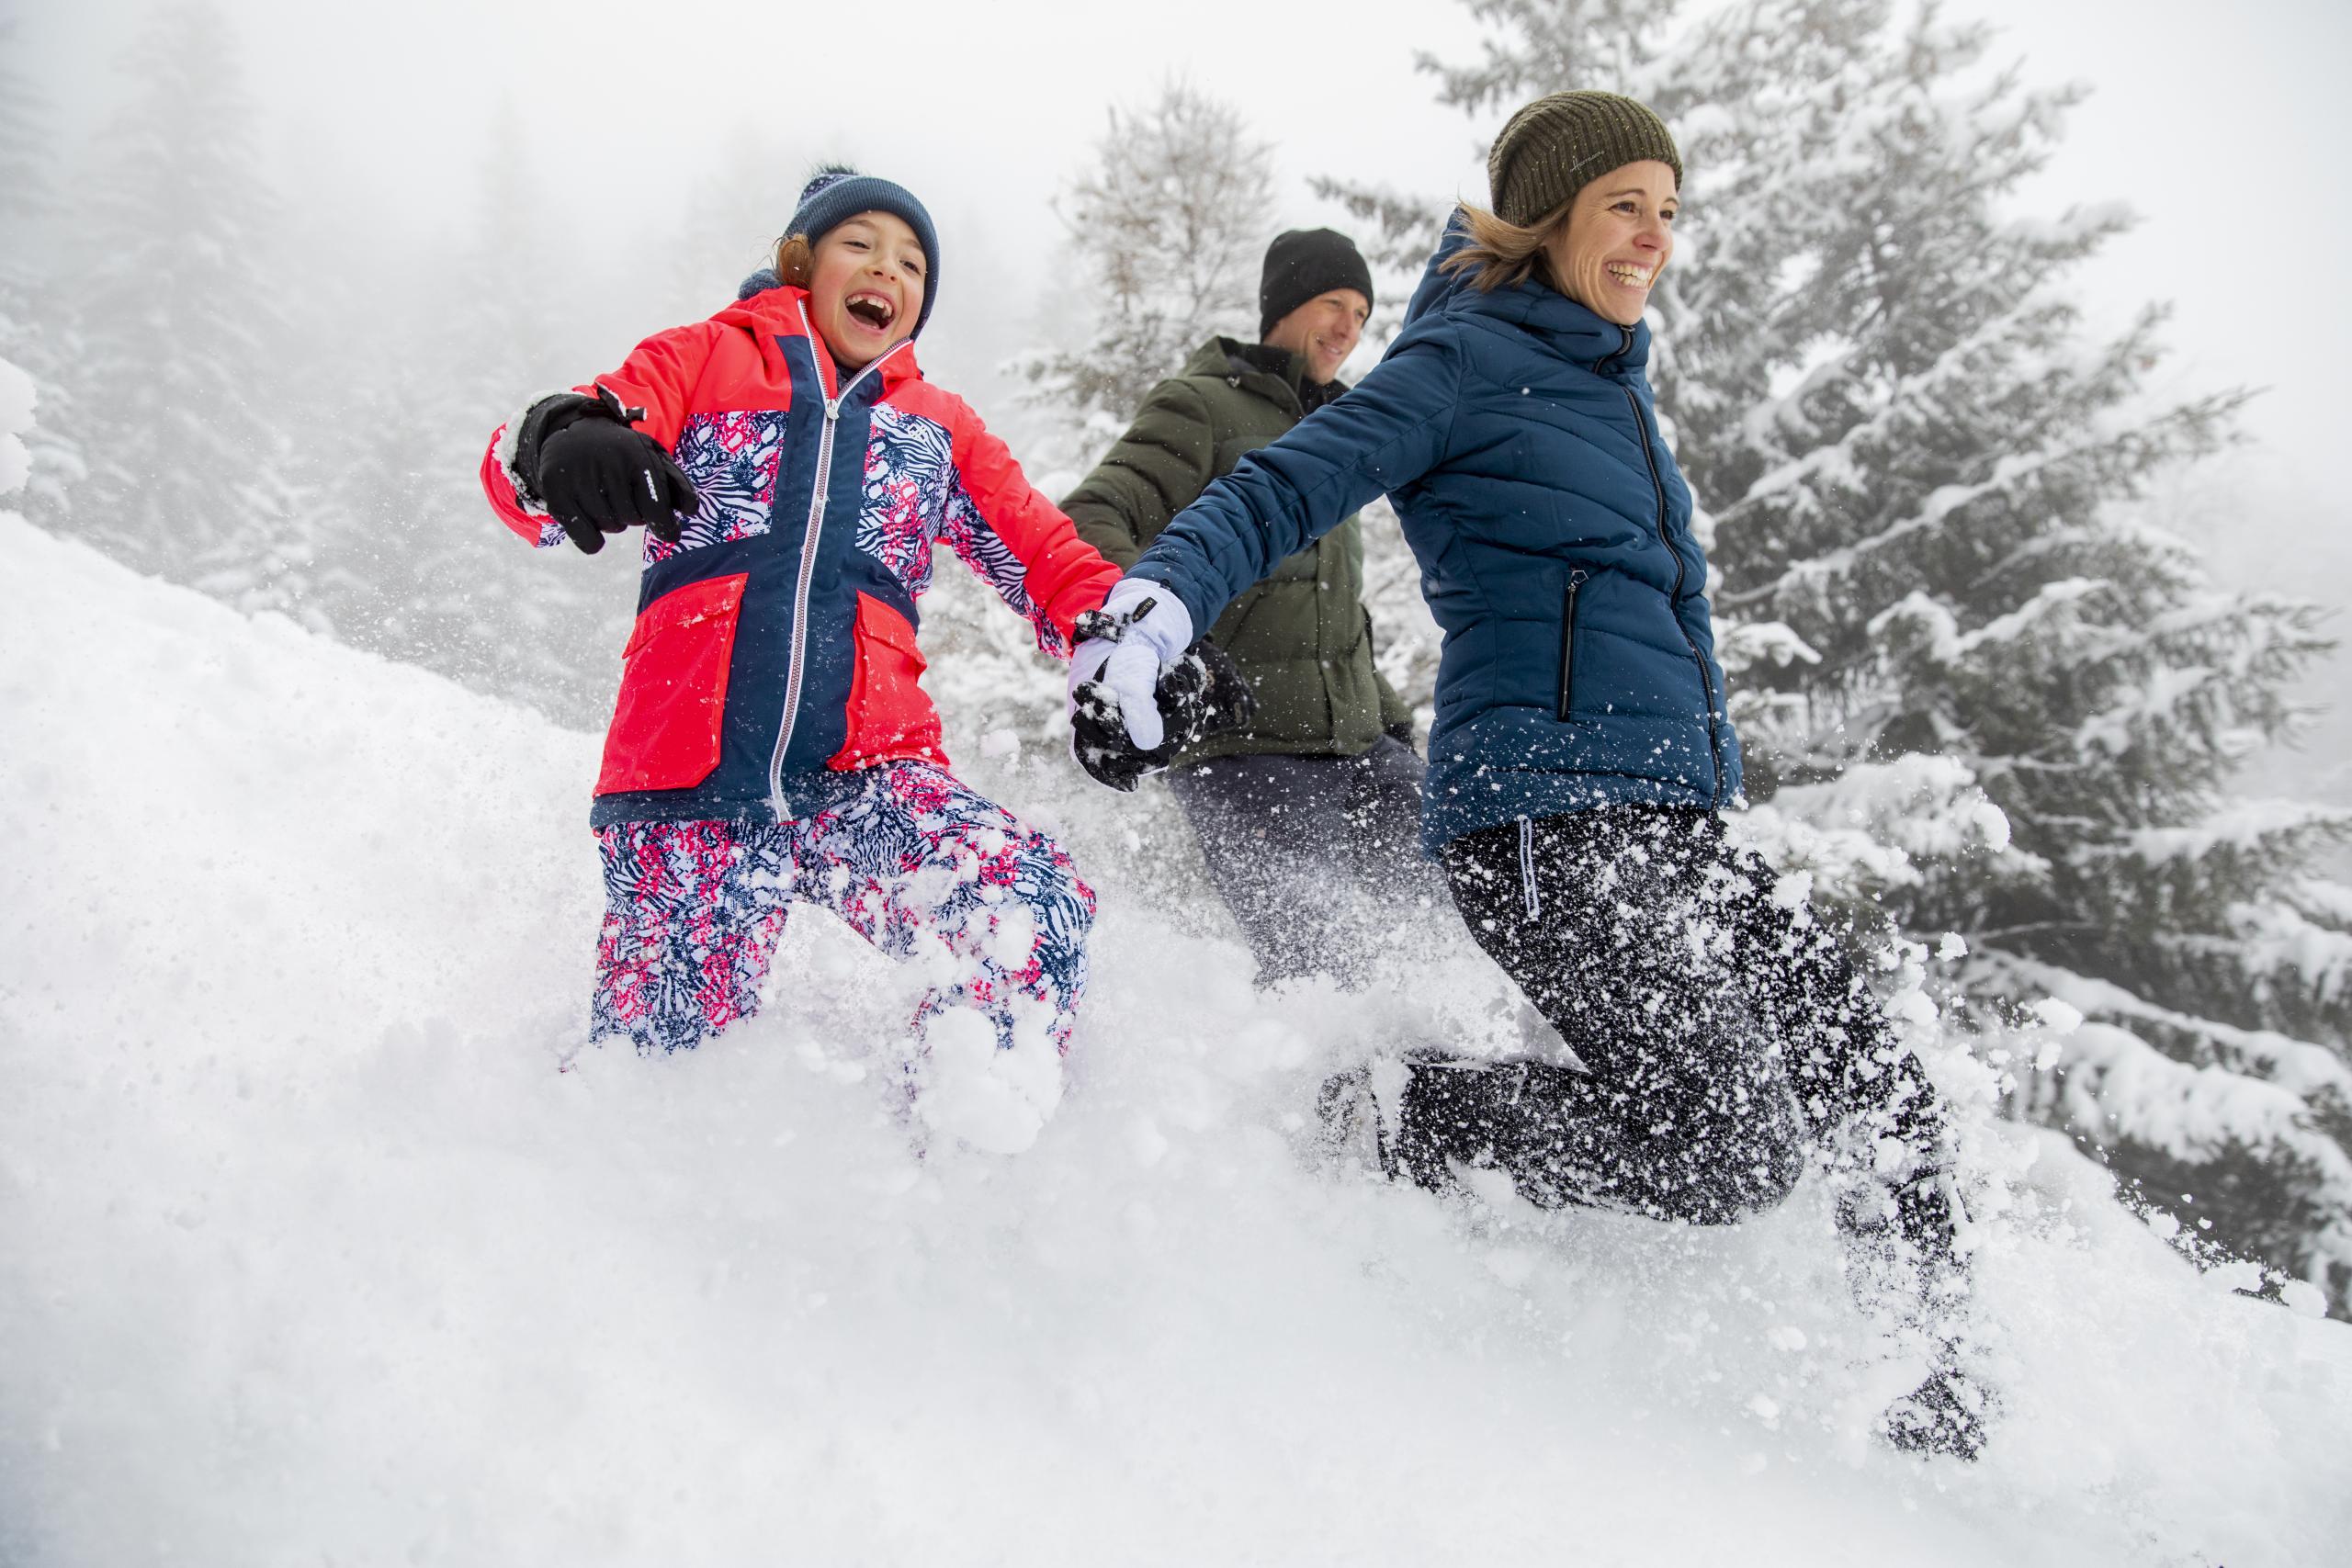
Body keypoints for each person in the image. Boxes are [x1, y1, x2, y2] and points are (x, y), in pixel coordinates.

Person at [1067, 95, 1987, 1455]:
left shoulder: (1614, 382)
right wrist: (1147, 611)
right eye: (1626, 205)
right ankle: (1413, 1109)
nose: (1655, 237)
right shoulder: (1459, 363)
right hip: (1542, 821)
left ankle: (1938, 1386)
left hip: (1667, 819)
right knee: (1729, 1142)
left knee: (1870, 1066)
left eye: (1670, 211)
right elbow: (1278, 489)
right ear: (1546, 215)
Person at [478, 167, 1126, 1153]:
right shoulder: (703, 358)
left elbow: (1047, 555)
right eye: (860, 245)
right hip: (689, 787)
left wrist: (1128, 642)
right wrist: (563, 439)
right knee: (653, 1092)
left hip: (863, 779)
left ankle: (954, 1169)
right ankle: (618, 1250)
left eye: (912, 262)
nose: (888, 272)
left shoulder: (938, 430)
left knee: (1026, 910)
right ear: (802, 263)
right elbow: (551, 448)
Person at [1061, 230, 1442, 988]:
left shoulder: (1336, 433)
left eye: (1363, 315)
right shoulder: (1201, 405)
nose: (1348, 329)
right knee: (1324, 970)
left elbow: (1331, 613)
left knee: (1461, 916)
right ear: (1285, 306)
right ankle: (1313, 1102)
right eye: (1333, 304)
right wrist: (1172, 644)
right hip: (1245, 745)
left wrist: (1392, 716)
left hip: (1357, 743)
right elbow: (1092, 513)